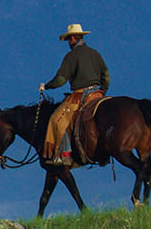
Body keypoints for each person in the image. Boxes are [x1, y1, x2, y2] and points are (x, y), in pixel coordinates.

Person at [38, 23, 110, 165]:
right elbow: (106, 76)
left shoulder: (71, 56)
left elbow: (60, 80)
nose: (68, 44)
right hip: (97, 93)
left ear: (72, 39)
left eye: (68, 41)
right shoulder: (95, 53)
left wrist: (46, 86)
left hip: (80, 95)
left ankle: (64, 155)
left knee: (57, 119)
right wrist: (103, 91)